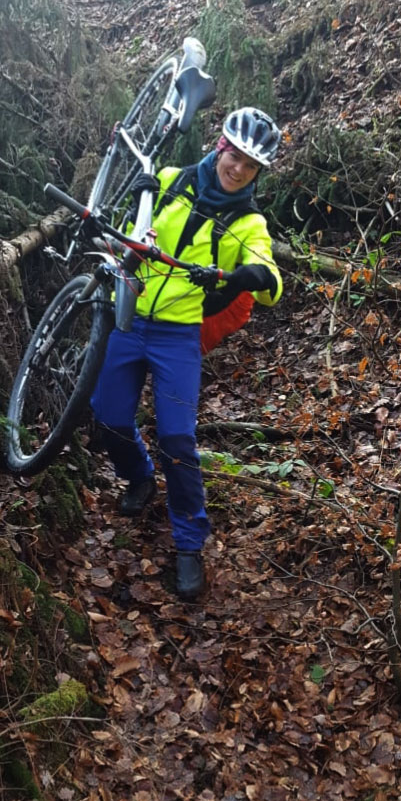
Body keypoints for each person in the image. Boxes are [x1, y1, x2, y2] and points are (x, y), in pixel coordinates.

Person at [91, 106, 283, 600]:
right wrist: (138, 201)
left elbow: (269, 276)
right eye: (233, 154)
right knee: (108, 417)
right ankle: (138, 476)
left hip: (178, 336)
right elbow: (134, 225)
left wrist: (249, 275)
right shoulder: (173, 180)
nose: (236, 168)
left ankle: (189, 544)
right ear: (220, 145)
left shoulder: (249, 221)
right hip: (131, 319)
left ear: (257, 173)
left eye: (249, 164)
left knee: (177, 437)